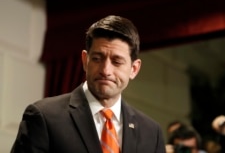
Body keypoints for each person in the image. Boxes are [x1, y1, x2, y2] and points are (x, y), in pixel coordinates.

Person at [10, 15, 166, 153]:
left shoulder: (152, 133)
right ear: (85, 61)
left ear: (134, 69)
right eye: (97, 58)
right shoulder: (44, 116)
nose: (106, 70)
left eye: (117, 61)